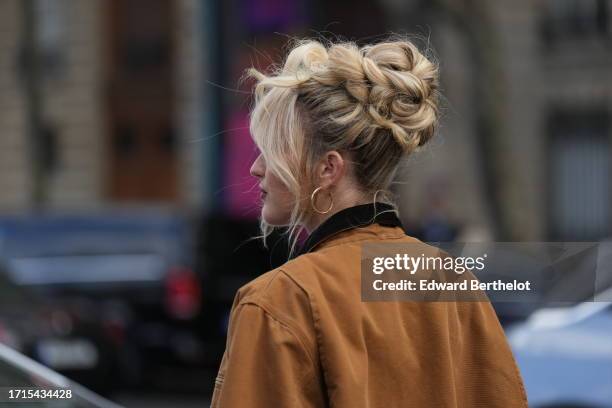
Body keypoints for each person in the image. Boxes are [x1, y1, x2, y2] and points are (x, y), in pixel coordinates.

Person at [211, 37, 528, 407]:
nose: (256, 168)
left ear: (327, 168)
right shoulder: (453, 280)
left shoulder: (281, 300)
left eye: (272, 150)